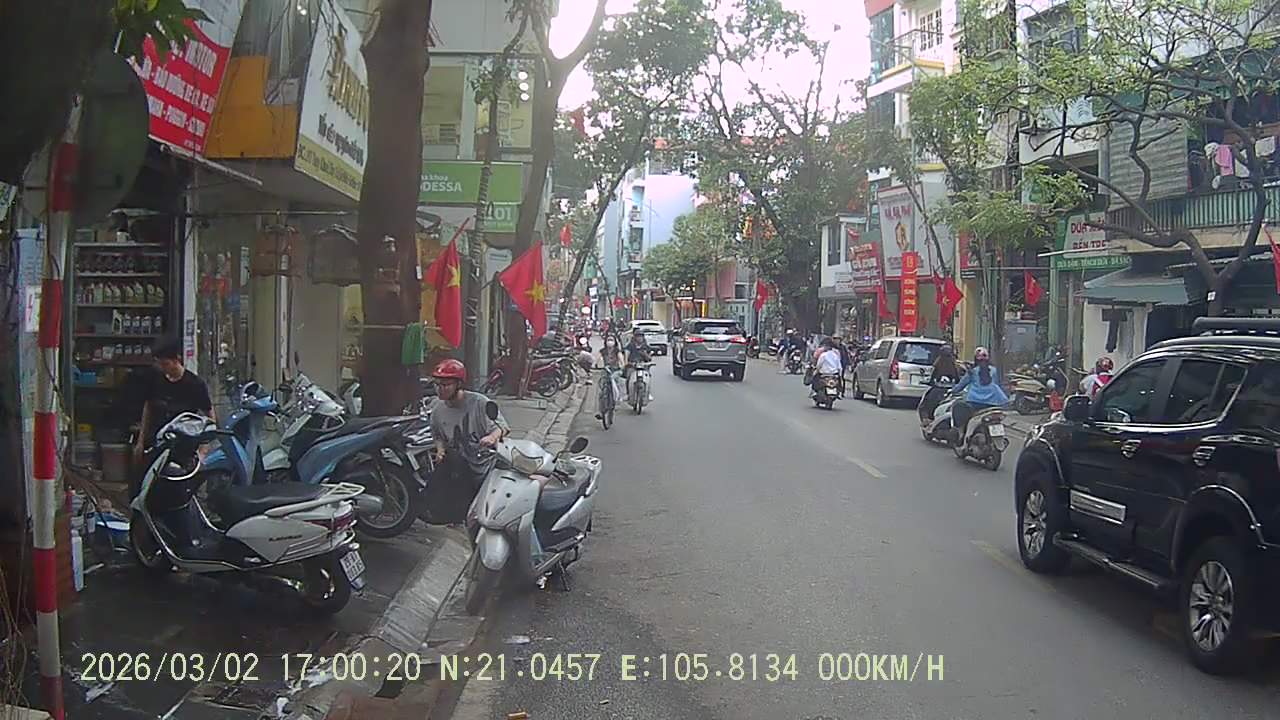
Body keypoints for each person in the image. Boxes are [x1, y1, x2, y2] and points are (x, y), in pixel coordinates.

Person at [427, 359, 509, 524]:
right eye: (437, 384)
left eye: (445, 385)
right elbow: (437, 435)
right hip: (460, 467)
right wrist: (440, 449)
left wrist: (491, 438)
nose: (440, 389)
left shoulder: (479, 403)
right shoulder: (437, 409)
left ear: (458, 384)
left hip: (486, 465)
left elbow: (502, 427)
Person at [133, 336, 213, 466]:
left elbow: (210, 417)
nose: (162, 368)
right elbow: (148, 408)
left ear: (177, 359)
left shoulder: (195, 384)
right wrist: (140, 442)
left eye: (165, 364)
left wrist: (203, 449)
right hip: (157, 443)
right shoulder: (155, 380)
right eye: (159, 364)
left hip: (183, 447)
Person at [951, 346, 1009, 440]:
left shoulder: (973, 372)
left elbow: (961, 385)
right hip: (993, 404)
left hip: (975, 403)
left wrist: (953, 390)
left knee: (958, 406)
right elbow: (998, 384)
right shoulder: (994, 371)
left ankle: (961, 432)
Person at [919, 344, 962, 425]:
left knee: (926, 405)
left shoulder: (938, 363)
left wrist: (931, 382)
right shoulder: (954, 365)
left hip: (940, 390)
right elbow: (958, 378)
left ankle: (928, 419)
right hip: (950, 391)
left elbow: (932, 377)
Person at [595, 332, 624, 420]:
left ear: (615, 342)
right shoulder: (603, 351)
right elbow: (597, 358)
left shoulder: (617, 351)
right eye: (608, 340)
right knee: (601, 392)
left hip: (615, 371)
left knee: (616, 384)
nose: (610, 342)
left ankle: (617, 401)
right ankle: (600, 411)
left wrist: (622, 365)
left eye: (612, 340)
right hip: (605, 370)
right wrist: (596, 364)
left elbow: (621, 360)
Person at [623, 327, 654, 402]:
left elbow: (650, 357)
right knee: (629, 376)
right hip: (632, 365)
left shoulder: (645, 346)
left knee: (648, 377)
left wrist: (645, 355)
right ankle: (628, 394)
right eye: (638, 336)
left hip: (643, 365)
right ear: (635, 337)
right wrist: (626, 363)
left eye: (641, 336)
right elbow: (626, 354)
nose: (640, 338)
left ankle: (648, 393)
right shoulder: (630, 345)